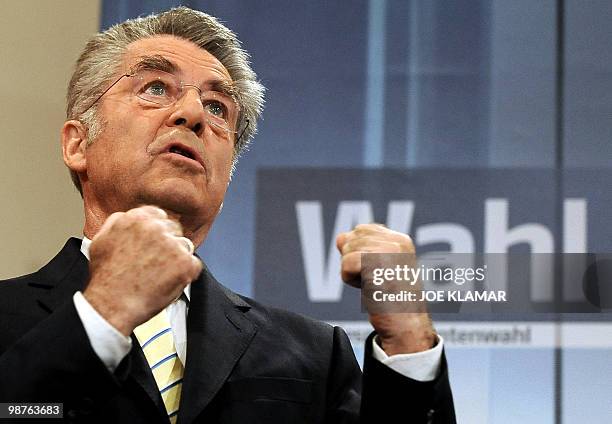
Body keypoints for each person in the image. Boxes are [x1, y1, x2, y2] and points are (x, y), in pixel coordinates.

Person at [0, 7, 455, 423]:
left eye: (218, 108)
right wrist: (101, 316)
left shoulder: (314, 353)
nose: (194, 113)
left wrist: (408, 340)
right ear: (78, 144)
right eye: (155, 88)